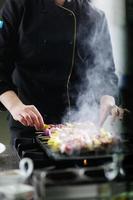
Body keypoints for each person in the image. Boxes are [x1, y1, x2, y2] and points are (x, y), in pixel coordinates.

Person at [0, 0, 124, 145]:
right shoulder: (17, 6)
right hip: (29, 125)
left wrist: (107, 100)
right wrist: (15, 106)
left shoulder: (94, 15)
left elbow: (106, 73)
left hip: (80, 127)